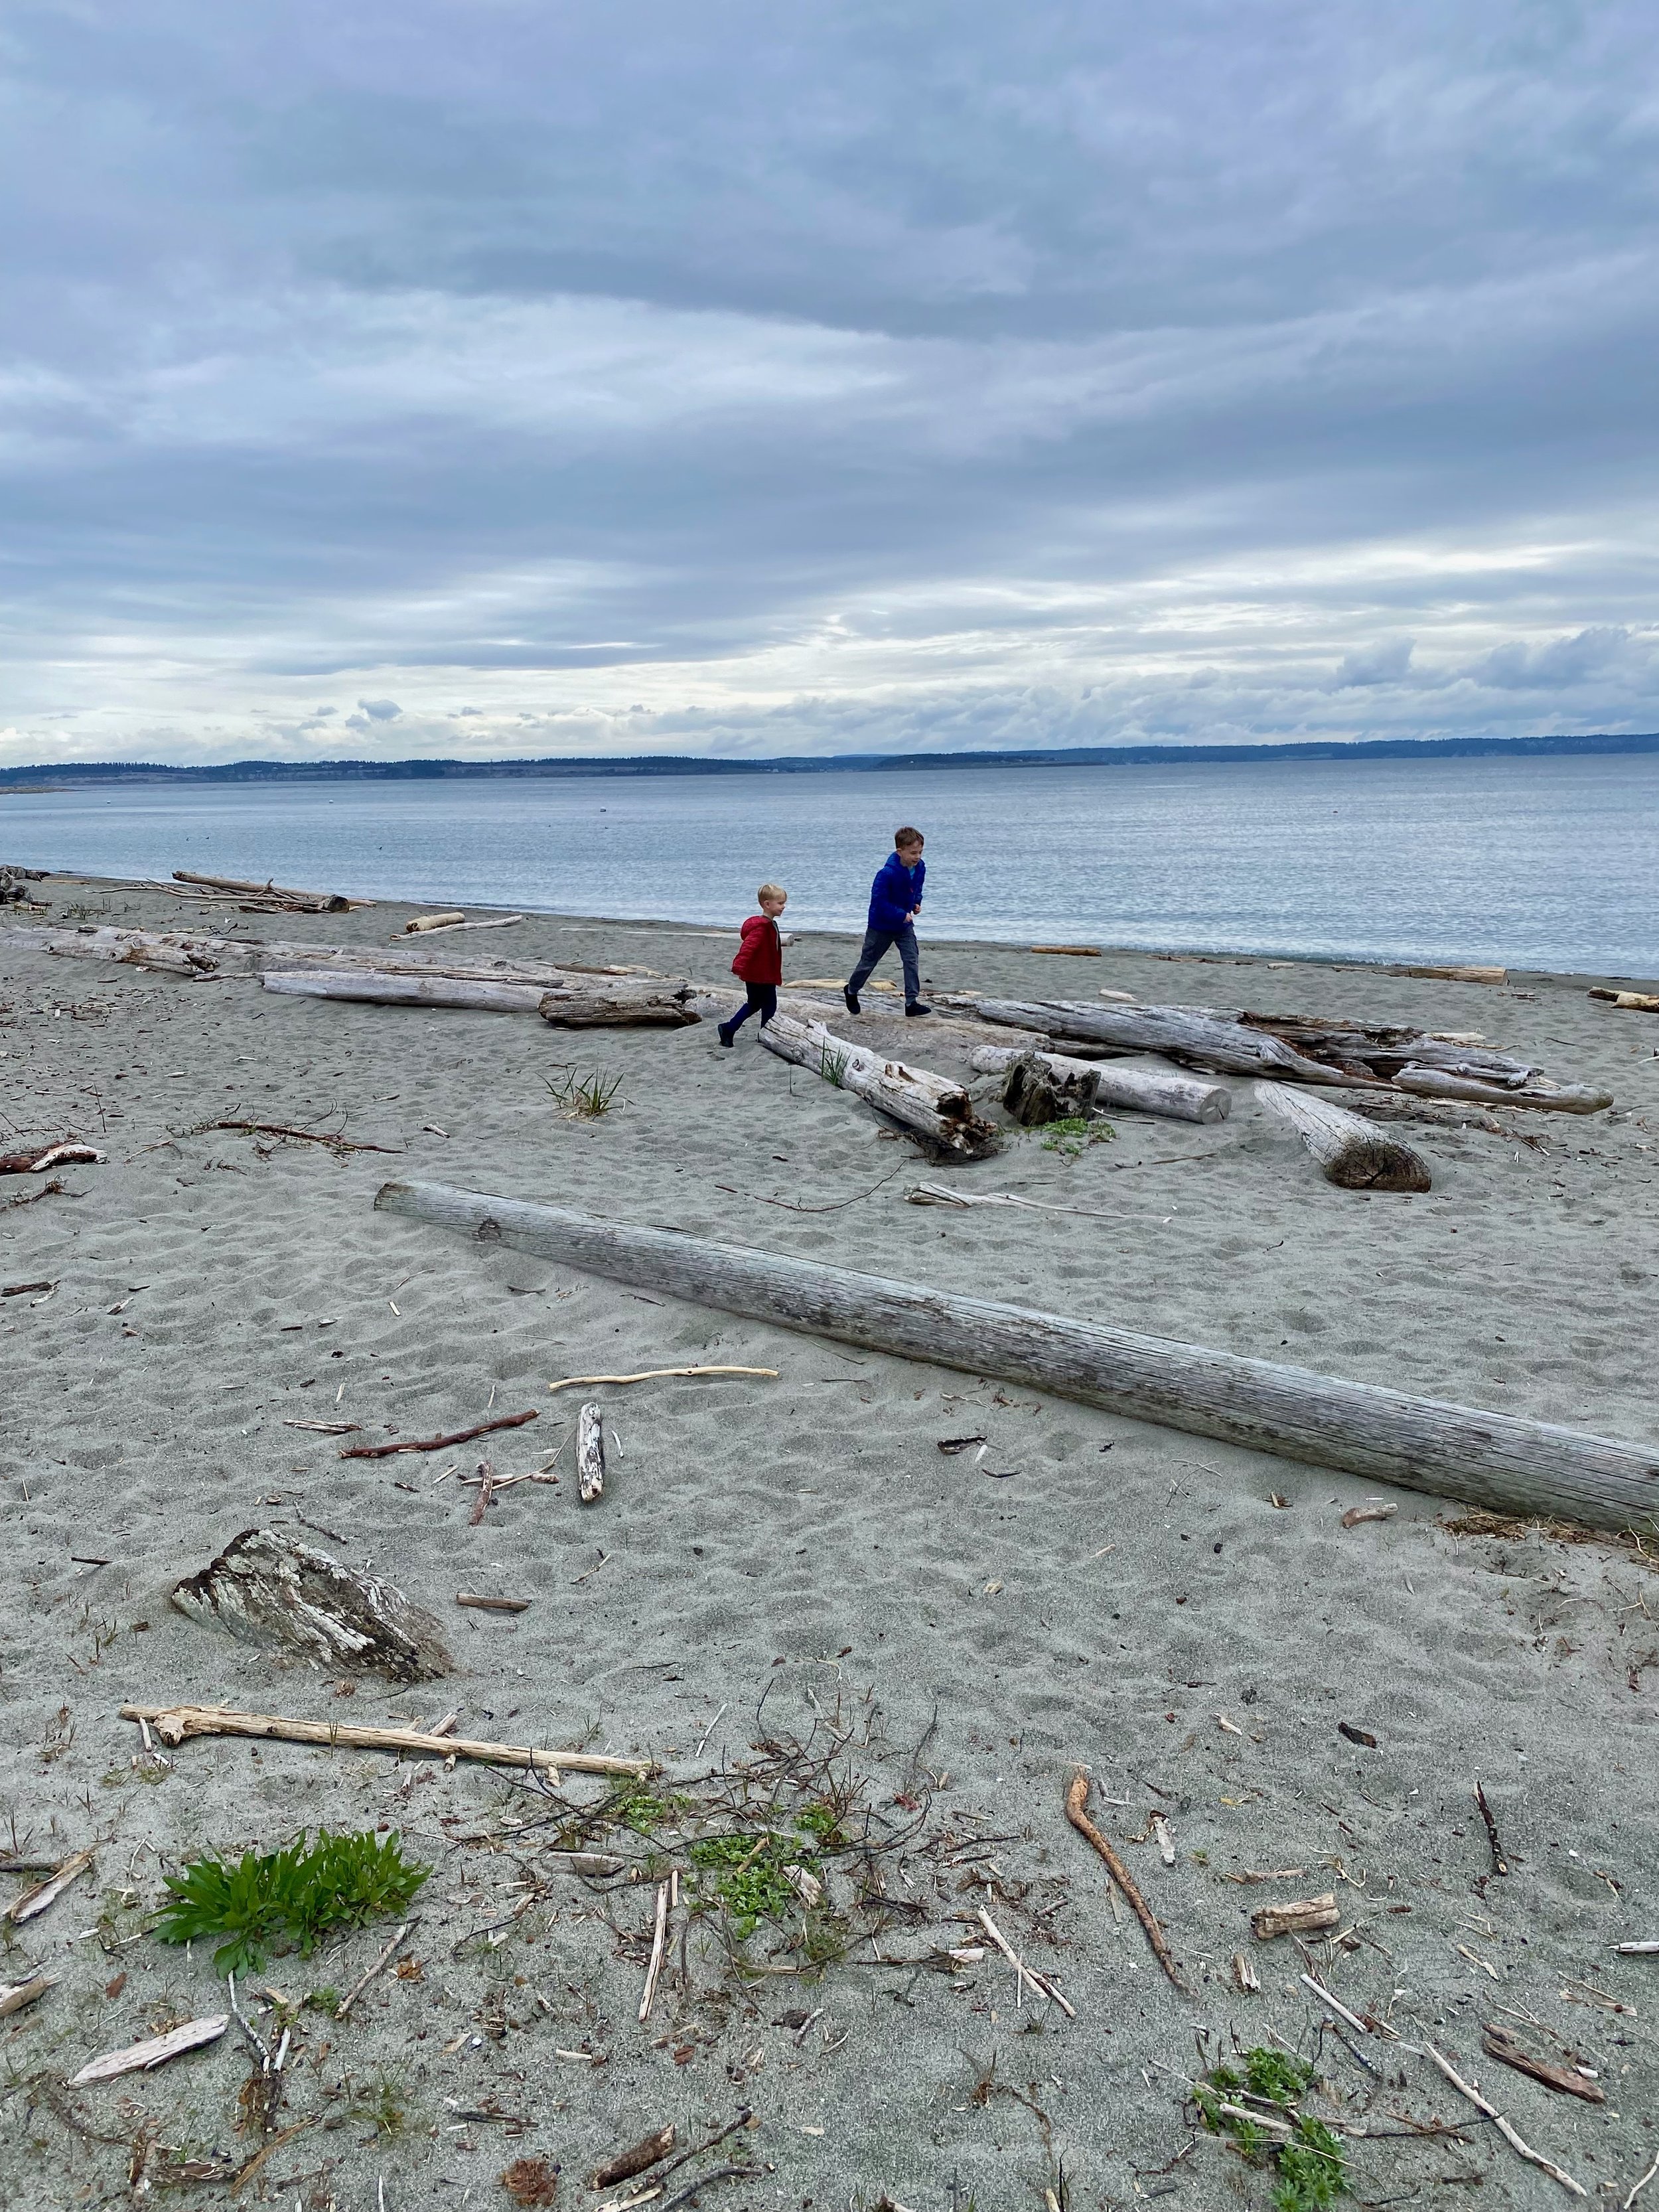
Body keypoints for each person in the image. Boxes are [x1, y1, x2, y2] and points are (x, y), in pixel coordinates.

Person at [843, 827, 932, 1016]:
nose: (917, 857)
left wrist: (916, 903)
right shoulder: (886, 874)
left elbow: (916, 889)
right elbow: (879, 902)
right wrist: (901, 914)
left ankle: (911, 1002)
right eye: (913, 853)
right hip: (881, 926)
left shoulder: (920, 867)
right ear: (900, 851)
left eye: (920, 852)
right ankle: (851, 991)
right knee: (868, 962)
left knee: (911, 959)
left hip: (904, 926)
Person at [718, 881, 787, 1047]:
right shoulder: (762, 927)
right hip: (761, 975)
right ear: (767, 904)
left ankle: (729, 1028)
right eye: (780, 903)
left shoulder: (770, 924)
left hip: (761, 973)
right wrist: (739, 964)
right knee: (769, 1005)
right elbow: (748, 947)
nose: (784, 907)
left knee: (755, 1004)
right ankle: (765, 1035)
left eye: (784, 903)